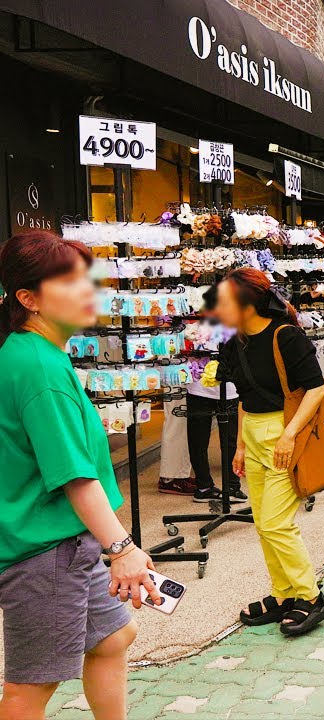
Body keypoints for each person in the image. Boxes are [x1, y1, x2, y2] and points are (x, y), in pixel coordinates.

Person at [0, 230, 161, 719]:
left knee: (115, 636)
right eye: (70, 282)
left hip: (66, 544)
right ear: (28, 299)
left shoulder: (40, 355)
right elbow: (76, 476)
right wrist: (122, 548)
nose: (90, 291)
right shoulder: (37, 366)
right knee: (33, 687)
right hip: (45, 553)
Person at [213, 268, 324, 635]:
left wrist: (289, 435)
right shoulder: (234, 343)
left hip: (285, 432)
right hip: (254, 434)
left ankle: (311, 597)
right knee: (264, 525)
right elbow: (245, 400)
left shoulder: (286, 336)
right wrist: (239, 446)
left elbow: (316, 389)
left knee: (276, 523)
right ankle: (284, 594)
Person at [186, 287, 245, 503]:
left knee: (229, 440)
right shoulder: (192, 323)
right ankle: (204, 485)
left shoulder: (233, 324)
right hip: (198, 386)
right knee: (199, 440)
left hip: (228, 388)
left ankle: (232, 484)